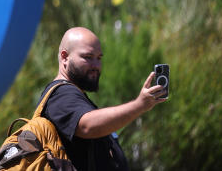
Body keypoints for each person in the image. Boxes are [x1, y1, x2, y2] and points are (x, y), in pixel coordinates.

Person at [37, 27, 167, 171]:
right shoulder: (61, 95)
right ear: (64, 57)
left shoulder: (72, 94)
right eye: (88, 57)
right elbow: (88, 125)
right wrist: (139, 105)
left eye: (99, 58)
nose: (96, 66)